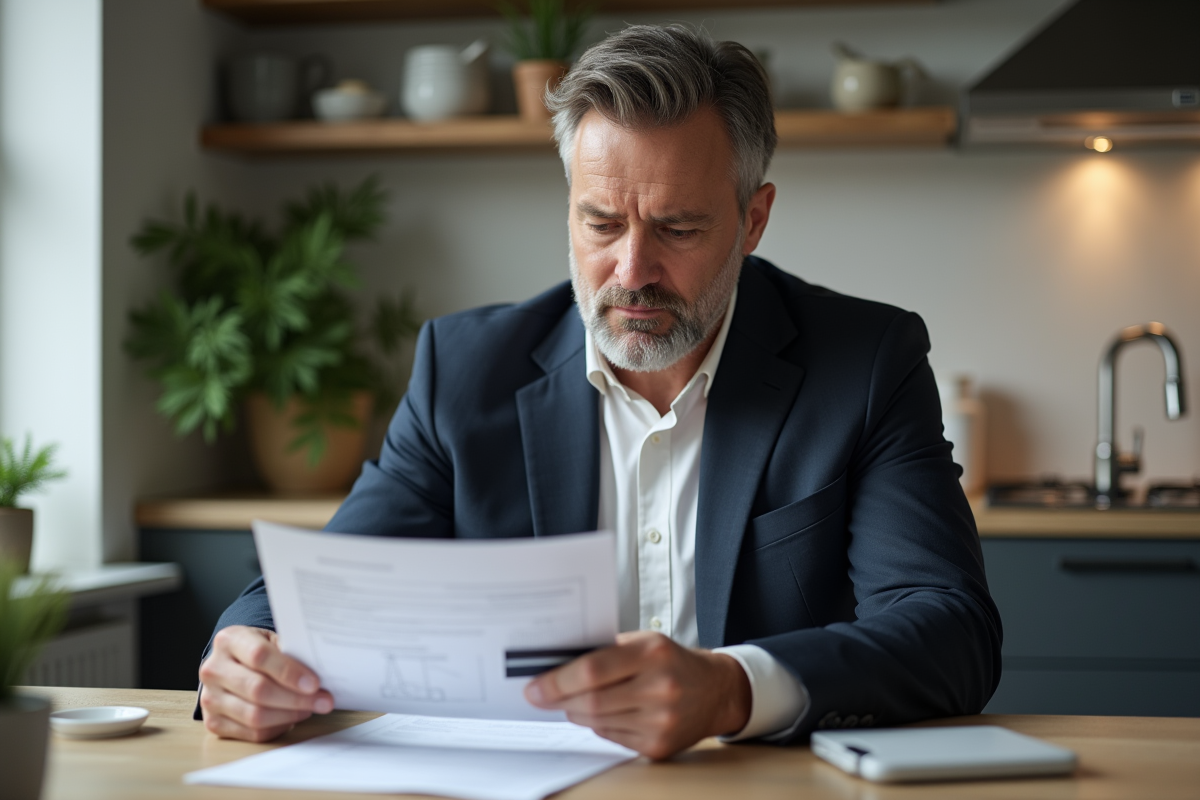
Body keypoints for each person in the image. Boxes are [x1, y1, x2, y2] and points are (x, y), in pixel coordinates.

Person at [196, 25, 1002, 759]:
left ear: (753, 221)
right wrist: (246, 649)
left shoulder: (862, 363)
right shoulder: (466, 369)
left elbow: (949, 632)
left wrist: (733, 687)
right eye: (601, 223)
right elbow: (334, 581)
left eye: (678, 229)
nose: (632, 272)